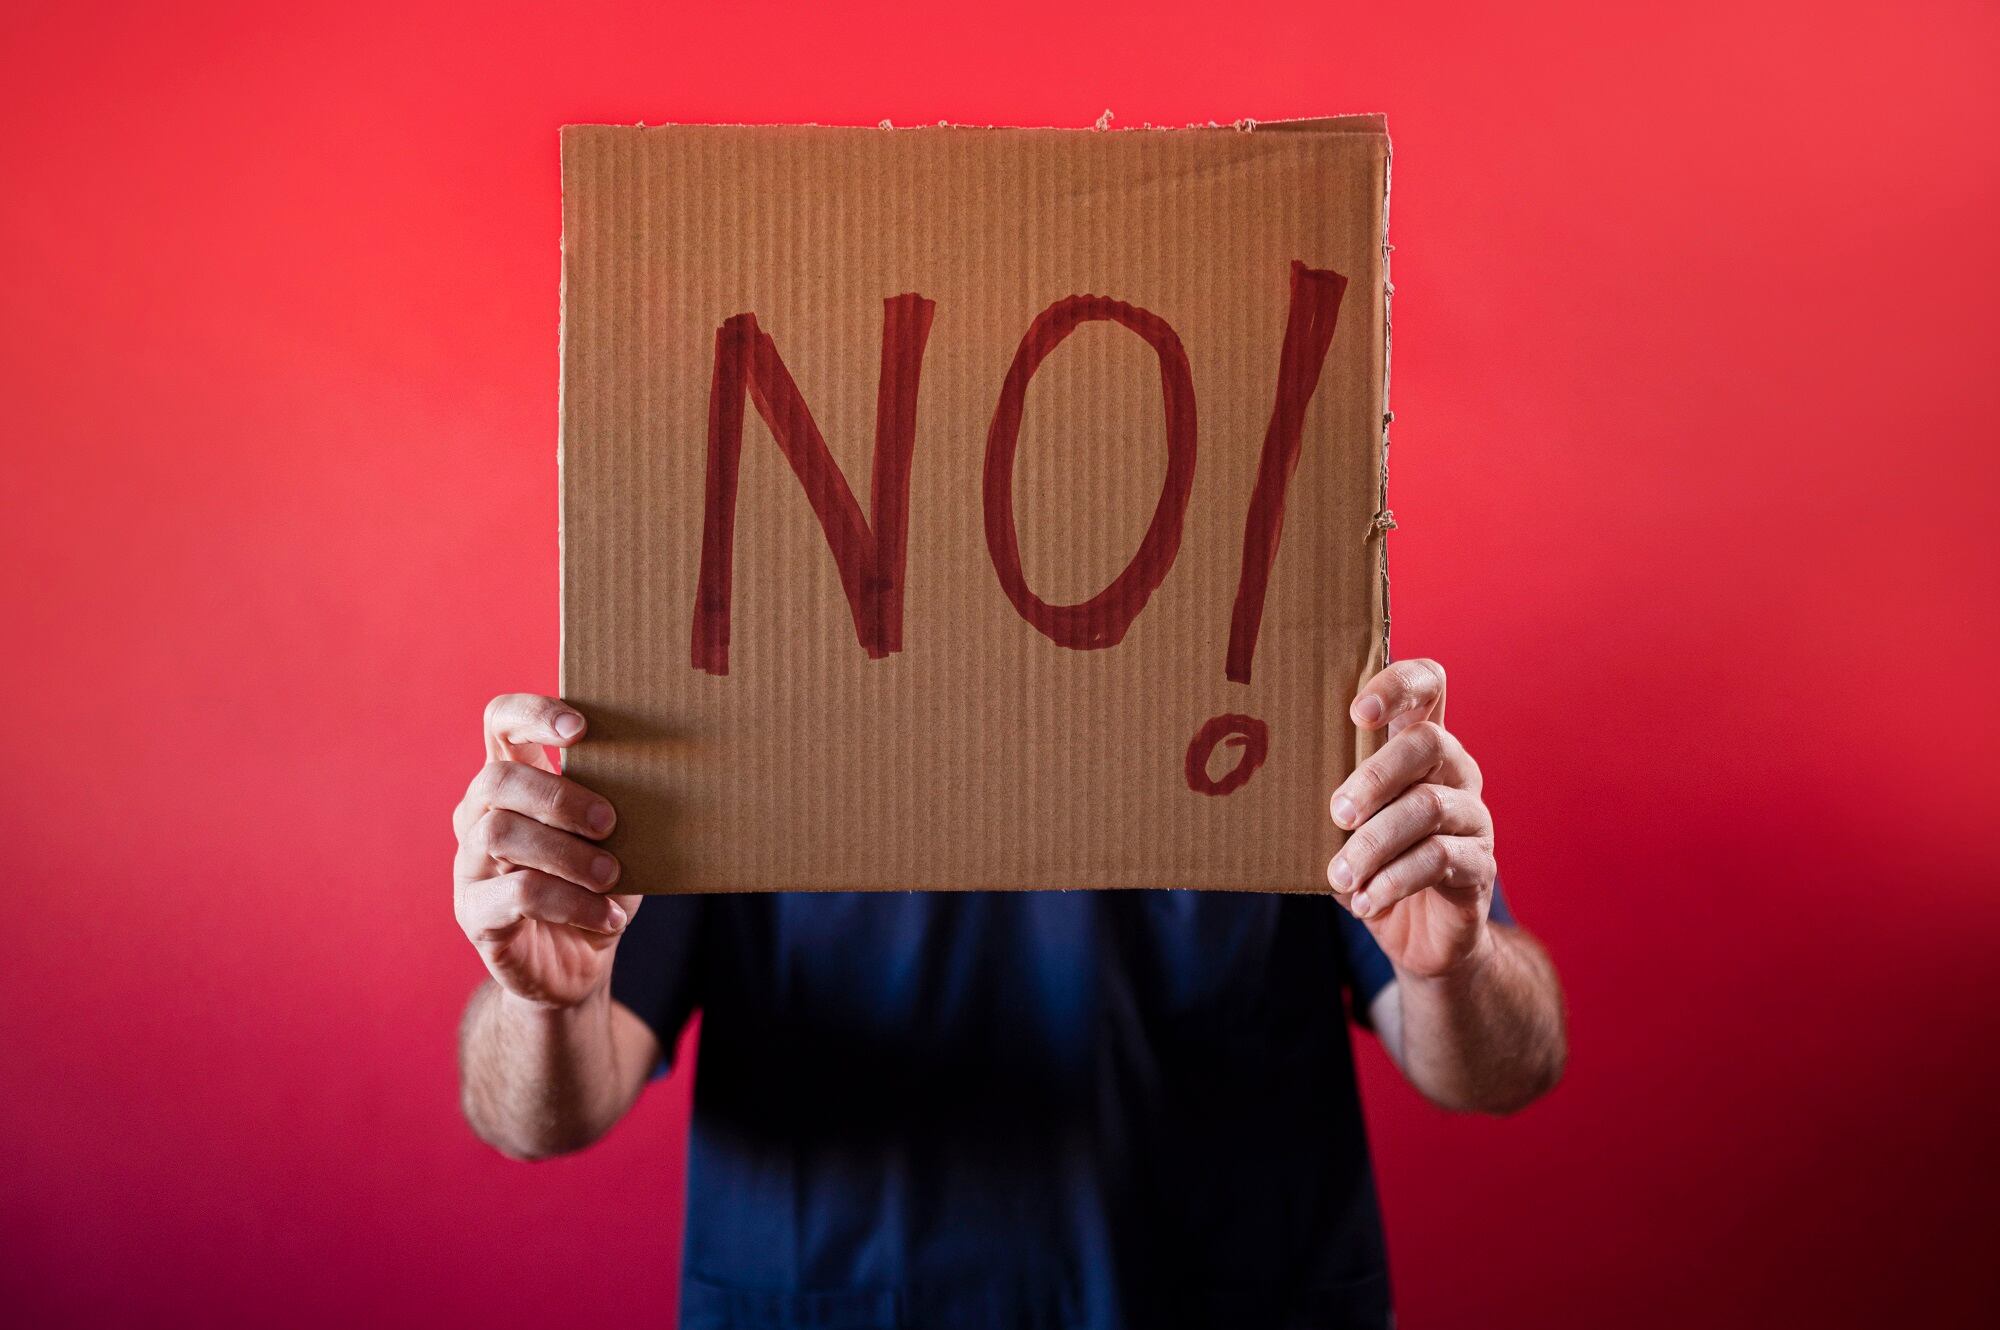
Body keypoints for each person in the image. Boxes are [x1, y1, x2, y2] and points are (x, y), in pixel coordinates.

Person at [454, 658, 1565, 1330]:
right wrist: (547, 1003)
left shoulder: (1281, 652)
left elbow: (1505, 1067)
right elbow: (539, 1116)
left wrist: (1453, 964)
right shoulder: (729, 675)